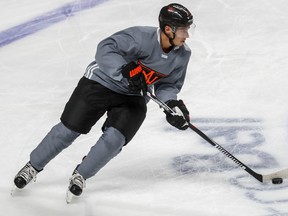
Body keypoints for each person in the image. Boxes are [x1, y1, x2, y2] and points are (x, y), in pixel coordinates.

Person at [13, 3, 194, 199]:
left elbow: (168, 85)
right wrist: (124, 70)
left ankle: (81, 174)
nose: (187, 36)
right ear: (168, 29)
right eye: (184, 30)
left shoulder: (183, 55)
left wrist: (172, 105)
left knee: (115, 139)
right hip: (100, 83)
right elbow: (105, 48)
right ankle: (33, 165)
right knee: (69, 130)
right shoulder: (139, 37)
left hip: (133, 96)